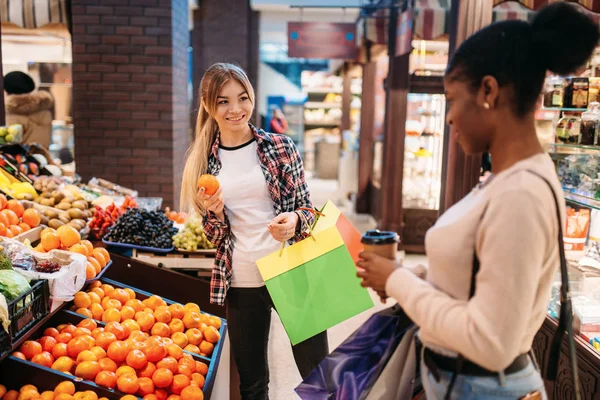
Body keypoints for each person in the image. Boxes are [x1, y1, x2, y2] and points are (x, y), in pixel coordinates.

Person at [356, 3, 598, 400]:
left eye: (452, 99)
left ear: (488, 91)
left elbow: (490, 341)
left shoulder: (521, 193)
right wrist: (405, 276)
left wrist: (397, 281)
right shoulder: (504, 179)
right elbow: (468, 287)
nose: (449, 118)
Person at [180, 63, 328, 400]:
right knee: (252, 383)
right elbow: (215, 237)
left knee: (319, 374)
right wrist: (215, 213)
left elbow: (309, 209)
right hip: (242, 280)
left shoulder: (280, 147)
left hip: (292, 272)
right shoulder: (204, 164)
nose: (235, 109)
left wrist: (293, 220)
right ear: (208, 106)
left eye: (242, 98)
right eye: (223, 101)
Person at [4, 71, 54, 148]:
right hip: (41, 157)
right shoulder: (43, 109)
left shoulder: (13, 114)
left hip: (21, 159)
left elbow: (10, 144)